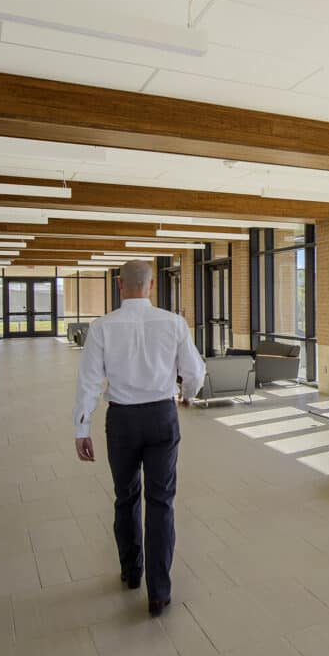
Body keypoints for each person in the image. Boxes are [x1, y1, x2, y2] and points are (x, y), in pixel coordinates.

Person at [73, 260, 205, 617]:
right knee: (161, 502)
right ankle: (159, 592)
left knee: (126, 496)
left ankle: (132, 573)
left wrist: (82, 429)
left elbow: (88, 381)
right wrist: (188, 395)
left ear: (120, 284)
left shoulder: (102, 327)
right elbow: (194, 372)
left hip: (122, 420)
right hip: (162, 416)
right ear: (150, 286)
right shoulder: (173, 322)